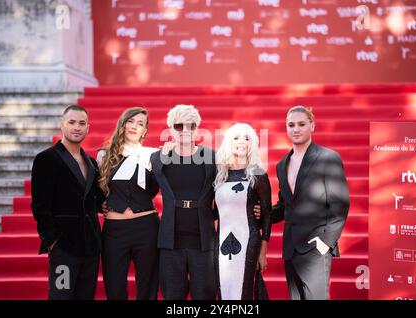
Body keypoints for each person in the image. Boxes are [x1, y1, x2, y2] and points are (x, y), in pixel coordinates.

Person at [272, 105, 350, 300]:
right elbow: (284, 206)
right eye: (291, 125)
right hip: (290, 247)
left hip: (316, 246)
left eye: (301, 124)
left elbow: (339, 205)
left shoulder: (328, 158)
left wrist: (325, 243)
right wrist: (262, 213)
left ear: (312, 126)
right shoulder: (282, 164)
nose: (295, 129)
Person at [31, 105, 104, 300]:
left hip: (90, 247)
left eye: (81, 123)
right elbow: (40, 206)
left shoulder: (91, 162)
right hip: (63, 247)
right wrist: (53, 242)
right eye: (71, 122)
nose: (77, 127)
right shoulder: (46, 159)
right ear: (62, 125)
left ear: (88, 128)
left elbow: (97, 201)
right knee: (60, 296)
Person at [150, 104, 217, 300]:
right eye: (179, 126)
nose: (185, 131)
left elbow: (224, 191)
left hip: (203, 239)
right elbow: (144, 188)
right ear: (171, 129)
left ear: (197, 128)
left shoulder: (212, 157)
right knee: (172, 295)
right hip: (171, 239)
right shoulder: (158, 158)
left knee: (205, 294)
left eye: (191, 125)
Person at [97, 107, 160, 300]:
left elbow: (154, 189)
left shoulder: (153, 155)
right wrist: (99, 204)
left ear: (145, 130)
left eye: (140, 124)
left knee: (148, 286)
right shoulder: (104, 155)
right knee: (114, 287)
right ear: (122, 124)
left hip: (146, 228)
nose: (134, 126)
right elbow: (97, 190)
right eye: (131, 121)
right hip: (114, 230)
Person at [214, 123, 272, 300]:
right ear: (229, 142)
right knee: (224, 289)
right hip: (220, 241)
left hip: (249, 241)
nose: (241, 142)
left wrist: (263, 251)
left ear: (252, 144)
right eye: (236, 138)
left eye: (246, 138)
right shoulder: (219, 173)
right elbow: (215, 211)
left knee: (244, 291)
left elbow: (267, 213)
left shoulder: (257, 174)